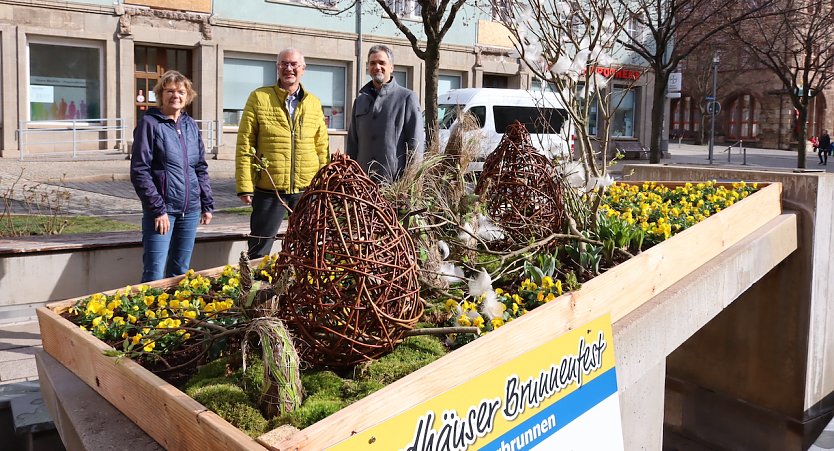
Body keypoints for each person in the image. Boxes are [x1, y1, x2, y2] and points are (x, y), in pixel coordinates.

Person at [236, 48, 330, 258]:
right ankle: (255, 290)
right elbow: (245, 143)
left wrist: (324, 185)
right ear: (277, 68)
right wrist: (245, 185)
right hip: (269, 189)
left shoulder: (313, 103)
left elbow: (322, 146)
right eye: (284, 64)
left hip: (307, 189)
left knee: (310, 245)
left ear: (303, 69)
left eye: (294, 64)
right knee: (259, 248)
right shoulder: (259, 98)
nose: (289, 68)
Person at [130, 70, 214, 282]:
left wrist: (206, 203)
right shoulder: (150, 124)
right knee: (154, 273)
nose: (175, 95)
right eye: (170, 91)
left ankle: (172, 314)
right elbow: (140, 170)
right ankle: (149, 315)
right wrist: (158, 209)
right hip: (162, 212)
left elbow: (200, 167)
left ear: (188, 96)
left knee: (180, 271)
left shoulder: (190, 126)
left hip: (191, 211)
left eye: (181, 91)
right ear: (161, 94)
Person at [346, 44, 424, 182]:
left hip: (393, 183)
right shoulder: (360, 101)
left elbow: (415, 144)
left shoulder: (406, 98)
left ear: (391, 67)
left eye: (382, 63)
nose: (377, 67)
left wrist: (411, 182)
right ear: (368, 67)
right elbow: (352, 144)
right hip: (363, 184)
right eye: (372, 63)